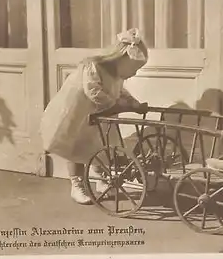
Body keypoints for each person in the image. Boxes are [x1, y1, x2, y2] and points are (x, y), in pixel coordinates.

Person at [40, 28, 148, 204]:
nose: (134, 74)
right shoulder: (94, 66)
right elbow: (93, 91)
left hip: (101, 113)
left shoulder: (116, 75)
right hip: (80, 112)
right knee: (76, 147)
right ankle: (77, 184)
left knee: (100, 144)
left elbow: (121, 92)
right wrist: (116, 105)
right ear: (120, 59)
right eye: (133, 69)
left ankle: (100, 179)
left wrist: (133, 103)